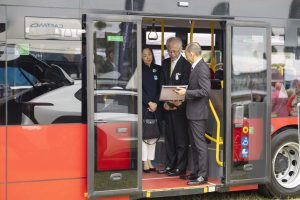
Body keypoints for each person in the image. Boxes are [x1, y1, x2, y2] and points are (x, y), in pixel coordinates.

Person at [176, 42, 210, 185]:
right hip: (193, 112)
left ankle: (202, 175)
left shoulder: (202, 68)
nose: (185, 56)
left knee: (200, 145)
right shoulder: (195, 66)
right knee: (195, 145)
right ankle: (196, 173)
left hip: (198, 113)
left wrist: (186, 93)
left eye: (185, 54)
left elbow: (205, 91)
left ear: (191, 54)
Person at [158, 37, 191, 176]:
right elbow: (161, 84)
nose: (172, 54)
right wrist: (165, 104)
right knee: (170, 138)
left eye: (175, 51)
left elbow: (185, 85)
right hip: (167, 107)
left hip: (180, 108)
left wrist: (174, 103)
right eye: (170, 51)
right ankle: (170, 164)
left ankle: (180, 167)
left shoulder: (186, 65)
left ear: (181, 49)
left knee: (181, 139)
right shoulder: (164, 63)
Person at [142, 47, 161, 173]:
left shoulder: (158, 69)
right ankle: (145, 162)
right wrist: (148, 102)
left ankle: (151, 160)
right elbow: (139, 89)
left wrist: (155, 103)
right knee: (145, 135)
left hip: (156, 106)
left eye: (149, 54)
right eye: (144, 55)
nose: (147, 57)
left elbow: (161, 88)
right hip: (144, 106)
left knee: (153, 135)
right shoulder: (139, 70)